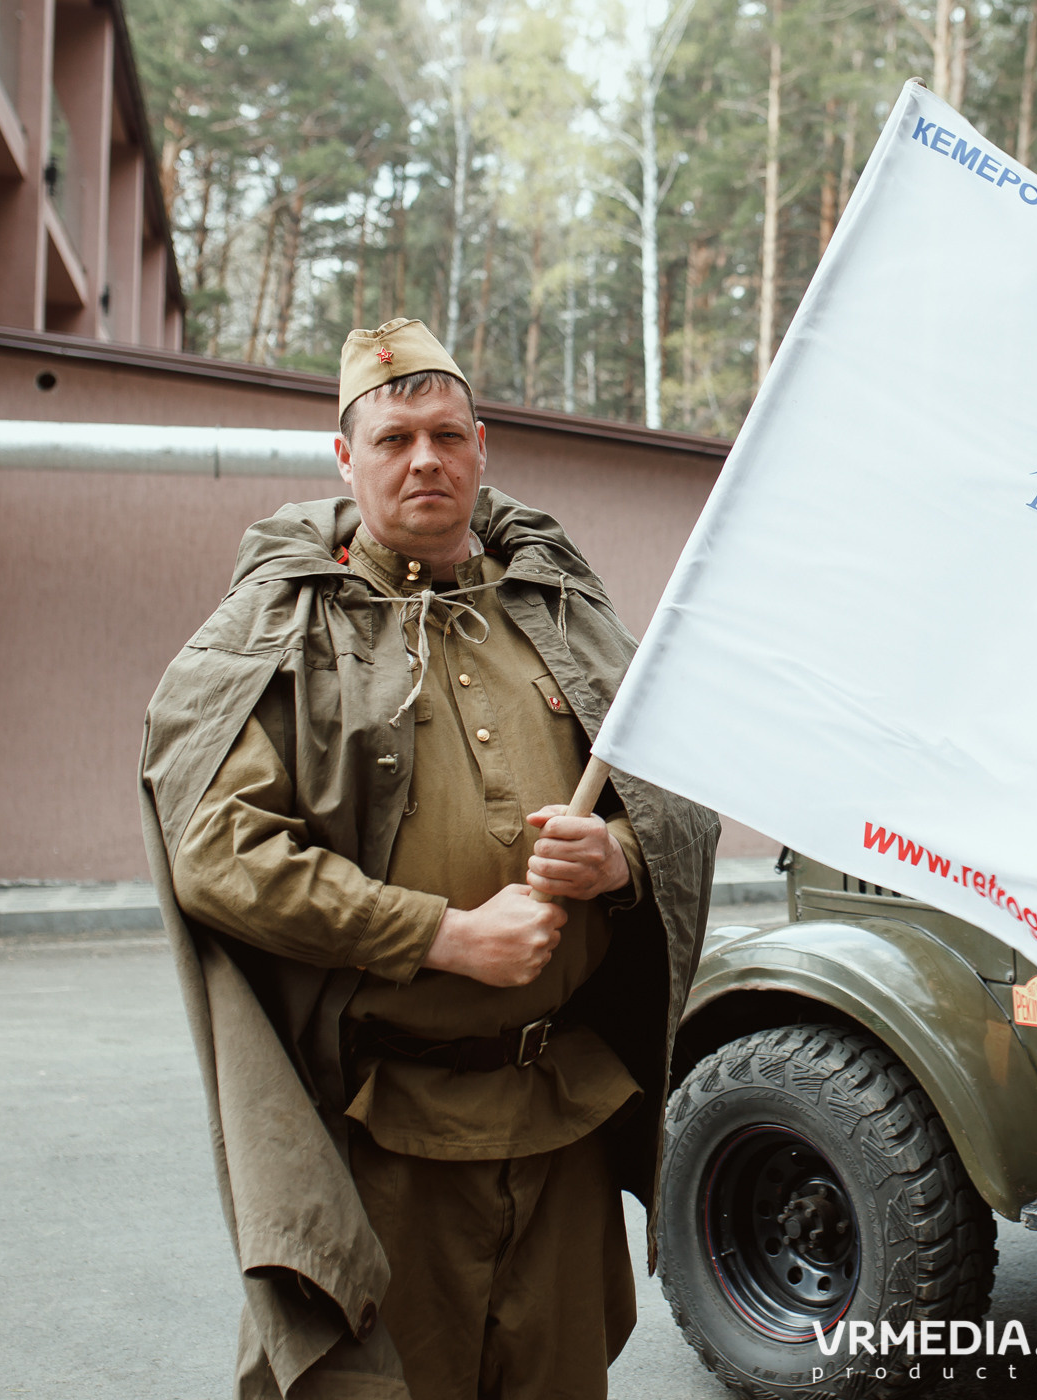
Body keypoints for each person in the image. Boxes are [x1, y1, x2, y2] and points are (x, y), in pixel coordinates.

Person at [140, 318, 717, 1399]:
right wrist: (441, 935)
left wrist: (623, 855)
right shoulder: (282, 629)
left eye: (447, 434)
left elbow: (676, 783)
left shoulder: (558, 608)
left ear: (483, 445)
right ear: (345, 455)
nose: (425, 460)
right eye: (396, 437)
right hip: (383, 1139)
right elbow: (216, 848)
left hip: (560, 1124)